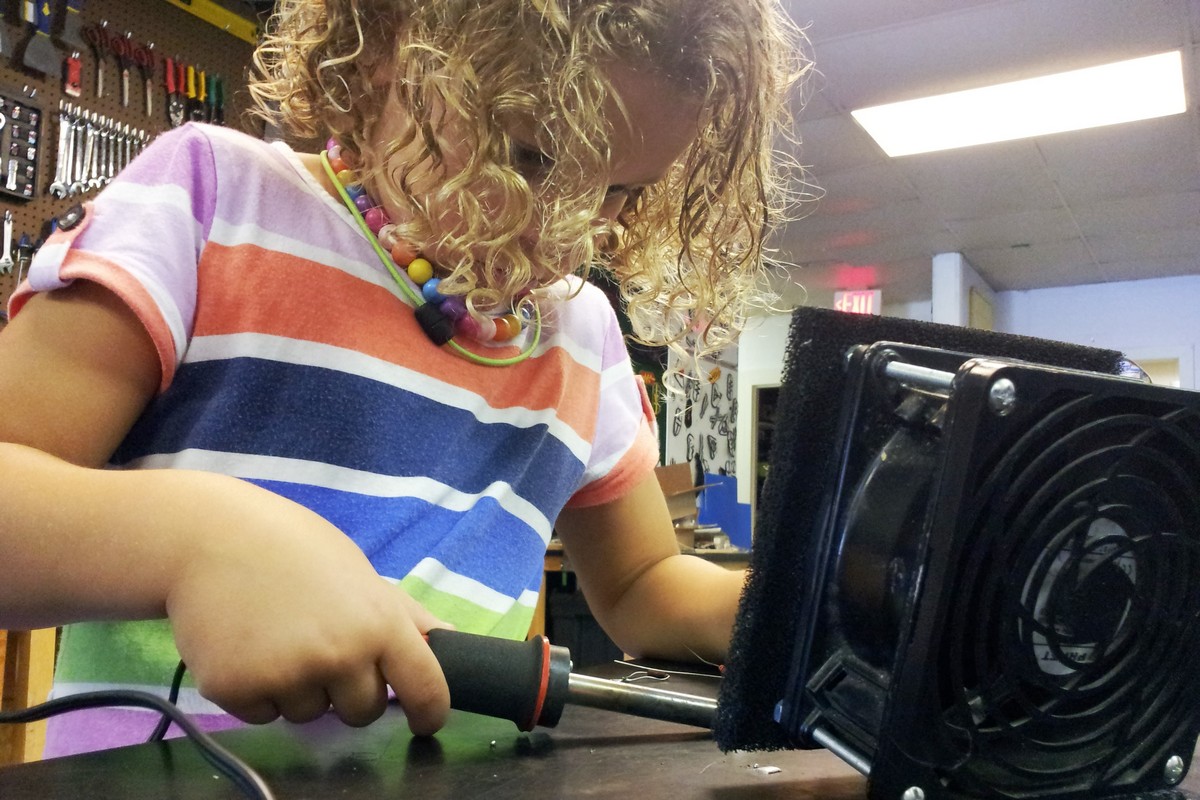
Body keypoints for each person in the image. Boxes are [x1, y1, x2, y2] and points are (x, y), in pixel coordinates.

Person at [0, 0, 808, 758]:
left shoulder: (584, 335)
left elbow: (642, 585)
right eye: (531, 157)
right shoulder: (212, 200)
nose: (567, 240)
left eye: (620, 194)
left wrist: (815, 612)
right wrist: (197, 543)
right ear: (392, 43)